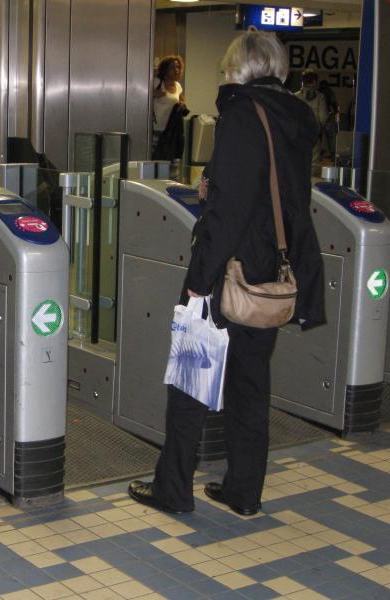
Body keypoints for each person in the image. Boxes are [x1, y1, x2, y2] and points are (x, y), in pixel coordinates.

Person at [128, 30, 325, 517]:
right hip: (271, 273)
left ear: (239, 70)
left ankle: (173, 489)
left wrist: (199, 280)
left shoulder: (242, 114)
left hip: (228, 273)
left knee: (190, 381)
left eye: (226, 69)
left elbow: (230, 211)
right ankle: (243, 491)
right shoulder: (296, 117)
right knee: (250, 384)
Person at [152, 55, 187, 161]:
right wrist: (153, 94)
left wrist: (183, 103)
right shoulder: (157, 82)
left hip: (170, 132)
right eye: (172, 67)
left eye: (178, 67)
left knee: (167, 162)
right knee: (153, 161)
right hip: (156, 130)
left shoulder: (178, 86)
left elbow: (181, 100)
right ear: (165, 69)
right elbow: (142, 97)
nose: (176, 70)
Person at [294, 70, 328, 171]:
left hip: (297, 136)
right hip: (313, 137)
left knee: (297, 163)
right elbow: (323, 118)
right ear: (314, 82)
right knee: (312, 165)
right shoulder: (320, 97)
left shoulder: (294, 96)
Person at [317, 79, 339, 161]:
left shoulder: (318, 92)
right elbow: (334, 103)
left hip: (318, 116)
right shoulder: (329, 92)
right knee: (331, 137)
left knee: (318, 137)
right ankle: (333, 155)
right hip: (328, 115)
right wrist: (336, 111)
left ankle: (319, 154)